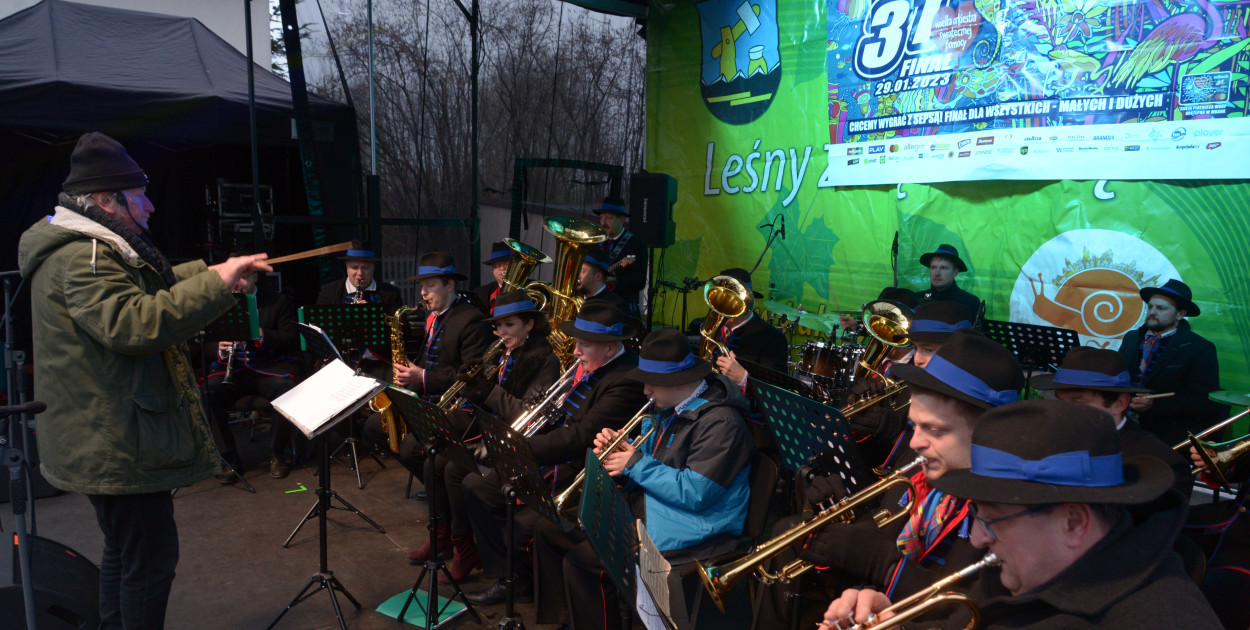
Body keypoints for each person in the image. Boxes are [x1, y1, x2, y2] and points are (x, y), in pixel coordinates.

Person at [17, 131, 272, 629]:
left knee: (126, 553)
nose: (151, 207)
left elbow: (148, 283)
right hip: (114, 439)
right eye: (140, 197)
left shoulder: (92, 247)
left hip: (110, 434)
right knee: (149, 563)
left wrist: (214, 271)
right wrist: (219, 284)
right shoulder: (81, 256)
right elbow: (134, 322)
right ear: (107, 202)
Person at [822, 399, 1223, 629]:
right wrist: (887, 619)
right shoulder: (1024, 572)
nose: (977, 538)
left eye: (990, 518)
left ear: (1073, 522)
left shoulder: (1164, 620)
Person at [758, 329, 1023, 628]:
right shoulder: (921, 464)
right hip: (878, 607)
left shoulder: (1010, 509)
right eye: (914, 426)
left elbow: (973, 614)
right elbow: (881, 537)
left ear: (988, 431)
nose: (914, 443)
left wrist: (887, 568)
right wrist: (835, 523)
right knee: (786, 535)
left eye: (934, 430)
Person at [528, 328, 754, 628]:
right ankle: (567, 618)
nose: (645, 391)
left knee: (583, 563)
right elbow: (654, 462)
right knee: (549, 530)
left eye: (651, 383)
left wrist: (635, 463)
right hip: (653, 510)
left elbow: (696, 494)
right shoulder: (672, 408)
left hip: (695, 530)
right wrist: (623, 449)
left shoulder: (722, 423)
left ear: (678, 382)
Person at [462, 301, 647, 605]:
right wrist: (545, 408)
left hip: (576, 468)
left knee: (520, 523)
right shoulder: (594, 366)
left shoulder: (625, 380)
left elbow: (580, 437)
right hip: (551, 455)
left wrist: (519, 449)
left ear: (610, 348)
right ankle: (510, 576)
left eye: (583, 345)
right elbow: (562, 420)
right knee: (476, 486)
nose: (575, 352)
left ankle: (525, 581)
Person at [403, 291, 562, 580]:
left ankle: (468, 548)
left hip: (514, 441)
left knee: (452, 470)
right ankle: (450, 539)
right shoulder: (503, 352)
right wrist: (470, 383)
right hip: (486, 430)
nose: (501, 333)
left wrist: (488, 391)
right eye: (497, 326)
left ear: (529, 324)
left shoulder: (544, 360)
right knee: (433, 459)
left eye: (509, 325)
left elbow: (527, 414)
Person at [363, 253, 492, 478]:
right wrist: (406, 381)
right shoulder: (433, 317)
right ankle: (430, 481)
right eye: (422, 286)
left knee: (410, 448)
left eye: (429, 286)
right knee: (373, 426)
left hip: (457, 408)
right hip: (428, 401)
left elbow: (472, 378)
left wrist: (421, 376)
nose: (423, 293)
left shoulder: (471, 320)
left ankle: (437, 491)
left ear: (449, 285)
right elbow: (427, 361)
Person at [1029, 346, 1192, 499]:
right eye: (1060, 401)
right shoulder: (1043, 439)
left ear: (1119, 404)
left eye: (1078, 402)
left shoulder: (1163, 465)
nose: (1063, 412)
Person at [205, 257, 301, 481]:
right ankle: (228, 458)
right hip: (233, 370)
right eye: (235, 276)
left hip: (267, 369)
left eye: (245, 276)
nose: (239, 282)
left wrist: (264, 336)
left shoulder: (277, 301)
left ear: (255, 276)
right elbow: (197, 342)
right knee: (208, 394)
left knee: (286, 390)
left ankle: (278, 454)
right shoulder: (215, 302)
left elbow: (292, 338)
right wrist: (217, 349)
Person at [847, 299, 971, 469]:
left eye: (928, 350)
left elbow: (944, 462)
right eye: (916, 348)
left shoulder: (967, 399)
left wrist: (894, 434)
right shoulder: (909, 388)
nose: (918, 359)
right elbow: (873, 457)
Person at [1117, 279, 1225, 445]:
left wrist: (1156, 405)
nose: (1152, 312)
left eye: (1161, 308)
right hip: (1122, 425)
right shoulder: (1132, 338)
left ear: (1180, 314)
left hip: (1167, 434)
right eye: (1150, 306)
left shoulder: (1200, 348)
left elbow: (1205, 402)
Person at [314, 240, 404, 315]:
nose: (360, 273)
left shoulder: (391, 294)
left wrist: (373, 315)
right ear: (346, 266)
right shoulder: (329, 292)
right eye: (354, 267)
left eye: (365, 268)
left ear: (373, 267)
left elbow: (403, 331)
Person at [593, 195, 648, 314]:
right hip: (594, 307)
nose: (603, 222)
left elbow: (639, 280)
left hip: (621, 309)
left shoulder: (636, 243)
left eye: (609, 218)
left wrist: (615, 282)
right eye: (601, 218)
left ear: (622, 220)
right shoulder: (594, 241)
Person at [917, 244, 982, 327]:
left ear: (955, 273)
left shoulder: (970, 302)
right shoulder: (917, 298)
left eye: (943, 268)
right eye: (933, 267)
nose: (936, 273)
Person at [474, 240, 511, 313]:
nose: (502, 269)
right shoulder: (482, 293)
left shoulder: (530, 288)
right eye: (497, 266)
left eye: (505, 264)